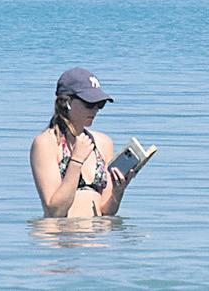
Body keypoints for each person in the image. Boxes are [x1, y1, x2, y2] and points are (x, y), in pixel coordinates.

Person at [30, 67, 133, 218]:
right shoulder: (46, 143)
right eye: (89, 104)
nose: (95, 110)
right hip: (63, 232)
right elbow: (55, 211)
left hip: (97, 231)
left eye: (100, 104)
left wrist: (118, 192)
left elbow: (106, 211)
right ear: (67, 102)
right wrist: (76, 161)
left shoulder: (103, 143)